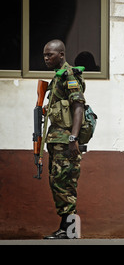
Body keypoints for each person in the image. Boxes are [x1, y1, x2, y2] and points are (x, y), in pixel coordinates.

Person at [42, 39, 86, 239]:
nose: (46, 58)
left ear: (61, 55)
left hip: (65, 141)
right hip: (57, 140)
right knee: (58, 183)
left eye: (49, 55)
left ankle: (69, 230)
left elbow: (78, 107)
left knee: (64, 184)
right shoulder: (58, 77)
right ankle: (67, 229)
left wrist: (73, 138)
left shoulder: (69, 76)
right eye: (44, 55)